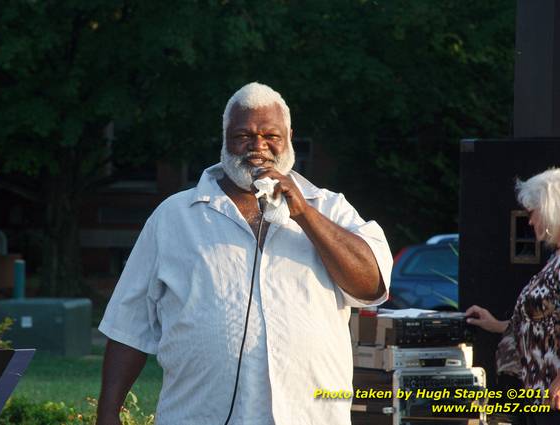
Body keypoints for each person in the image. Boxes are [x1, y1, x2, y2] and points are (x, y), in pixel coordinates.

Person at [96, 82, 393, 425]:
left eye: (271, 136)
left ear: (290, 136)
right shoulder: (174, 216)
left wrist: (305, 214)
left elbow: (371, 287)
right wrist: (107, 412)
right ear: (224, 137)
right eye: (243, 136)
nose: (258, 147)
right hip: (198, 416)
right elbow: (129, 323)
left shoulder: (330, 208)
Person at [466, 168, 560, 424]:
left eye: (533, 213)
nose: (529, 222)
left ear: (551, 209)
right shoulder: (555, 260)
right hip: (538, 394)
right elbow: (542, 324)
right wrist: (495, 324)